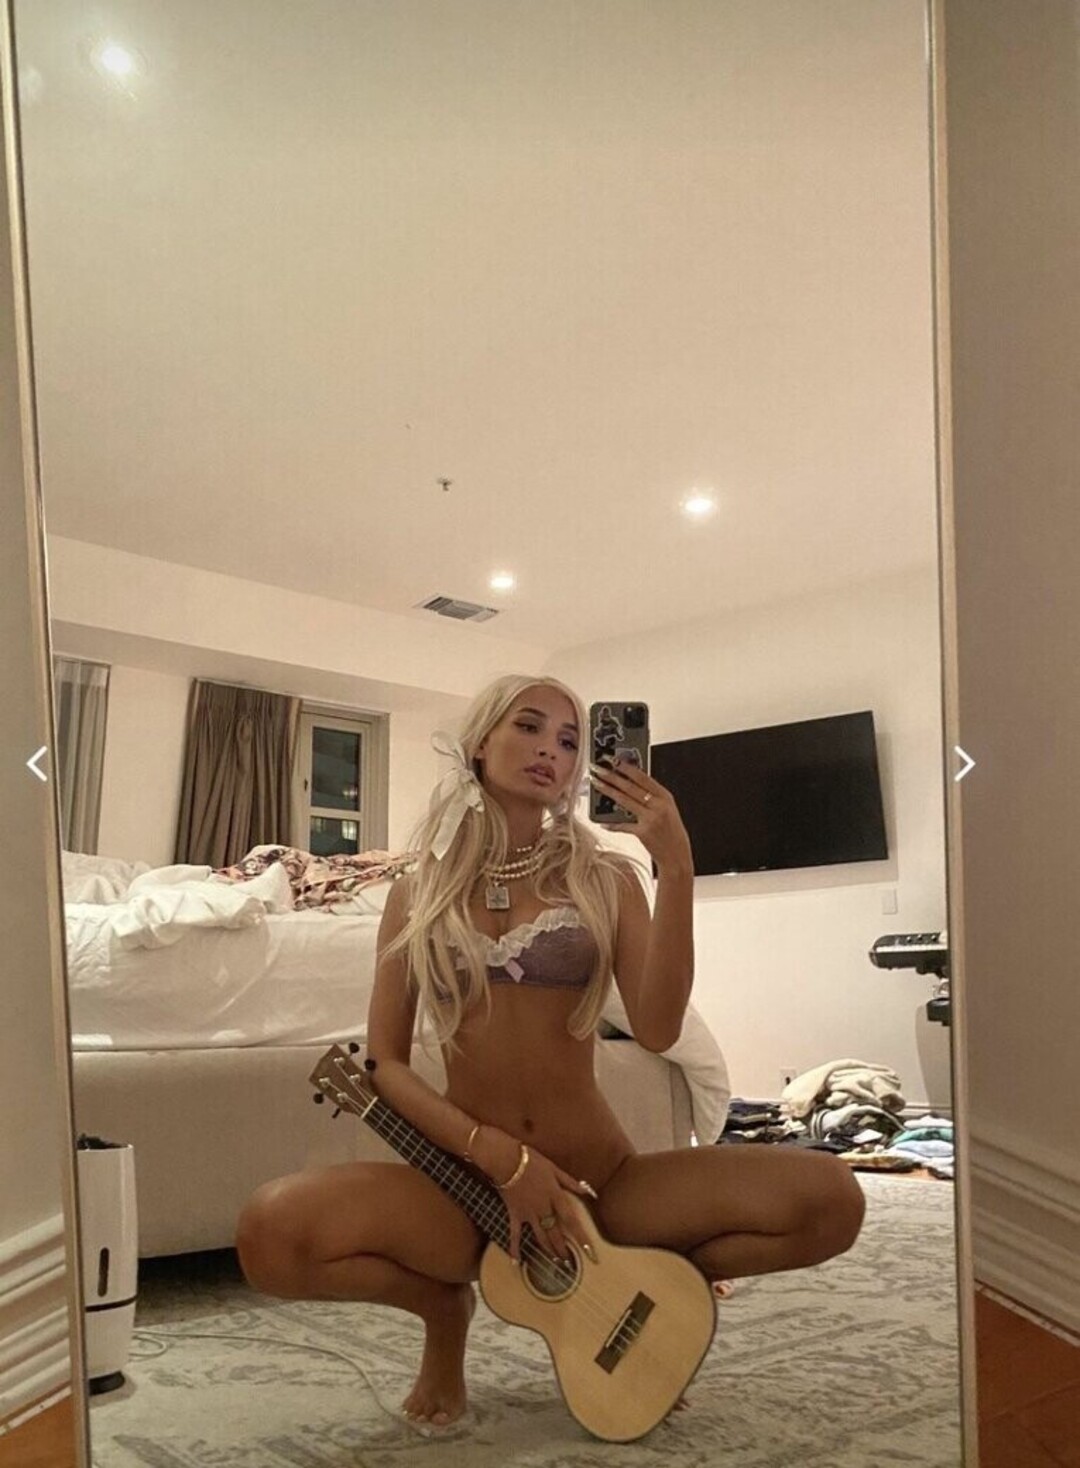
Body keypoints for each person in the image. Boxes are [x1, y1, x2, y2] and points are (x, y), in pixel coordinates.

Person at [236, 673, 865, 1429]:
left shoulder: (606, 879)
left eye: (569, 741)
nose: (550, 751)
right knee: (272, 1235)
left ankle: (654, 1285)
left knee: (832, 1200)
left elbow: (658, 1028)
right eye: (529, 727)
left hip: (600, 1183)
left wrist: (677, 867)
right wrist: (499, 1157)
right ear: (480, 743)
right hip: (464, 1187)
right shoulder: (418, 891)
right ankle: (442, 1310)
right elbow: (386, 1064)